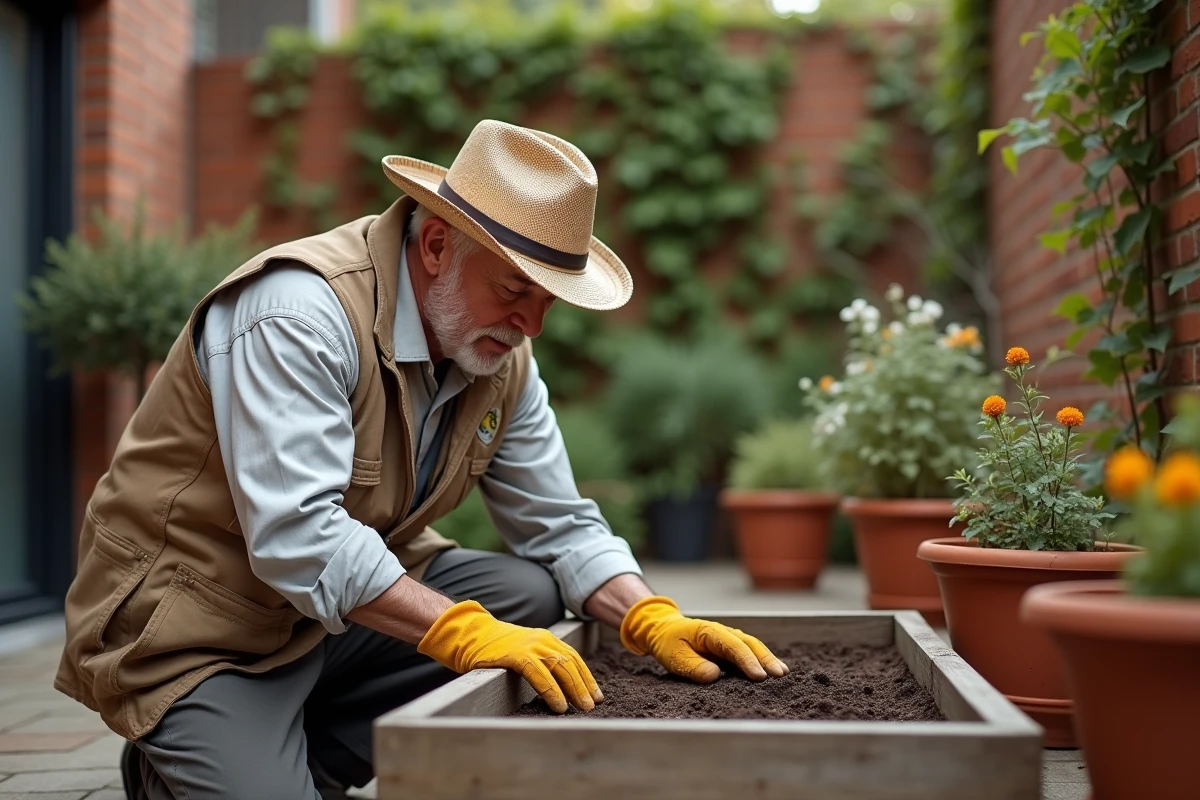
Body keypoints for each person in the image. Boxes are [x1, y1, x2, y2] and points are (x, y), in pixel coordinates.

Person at [53, 119, 789, 800]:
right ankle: (176, 760)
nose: (531, 323)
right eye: (514, 290)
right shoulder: (296, 315)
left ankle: (297, 755)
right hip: (199, 627)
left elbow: (560, 523)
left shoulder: (500, 357)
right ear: (437, 245)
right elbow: (299, 537)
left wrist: (649, 615)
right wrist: (459, 632)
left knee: (526, 596)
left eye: (548, 302)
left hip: (322, 623)